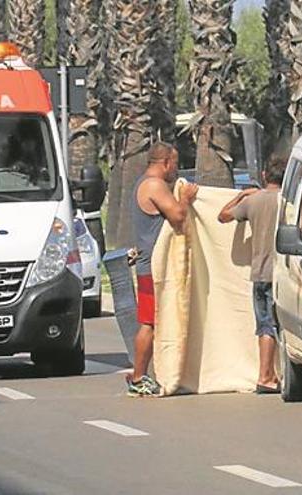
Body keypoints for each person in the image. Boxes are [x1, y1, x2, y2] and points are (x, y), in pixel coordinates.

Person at [127, 142, 199, 397]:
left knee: (154, 320)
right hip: (151, 268)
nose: (176, 169)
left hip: (152, 265)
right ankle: (138, 377)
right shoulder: (154, 186)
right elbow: (178, 216)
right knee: (149, 323)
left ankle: (143, 374)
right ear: (165, 162)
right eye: (175, 163)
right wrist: (186, 199)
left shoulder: (143, 184)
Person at [218, 156, 285, 394]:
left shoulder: (253, 202)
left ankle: (265, 375)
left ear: (265, 176)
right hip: (285, 274)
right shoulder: (289, 202)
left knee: (265, 325)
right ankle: (270, 375)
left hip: (260, 273)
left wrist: (240, 195)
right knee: (282, 325)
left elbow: (223, 216)